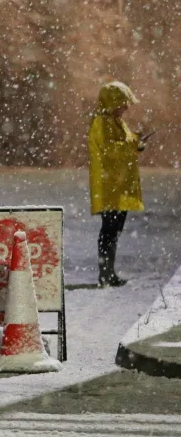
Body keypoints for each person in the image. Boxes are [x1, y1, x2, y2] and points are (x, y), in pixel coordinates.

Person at [88, 81, 146, 288]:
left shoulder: (116, 121)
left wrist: (136, 142)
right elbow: (110, 150)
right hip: (109, 185)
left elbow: (123, 145)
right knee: (110, 229)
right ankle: (105, 274)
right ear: (112, 103)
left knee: (114, 229)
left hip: (118, 185)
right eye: (123, 103)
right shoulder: (101, 123)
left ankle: (108, 272)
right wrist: (132, 144)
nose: (126, 107)